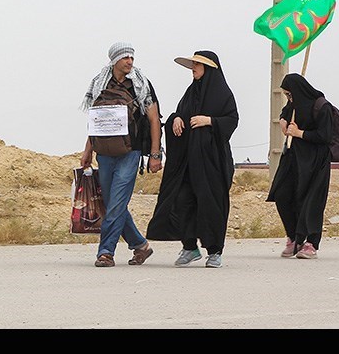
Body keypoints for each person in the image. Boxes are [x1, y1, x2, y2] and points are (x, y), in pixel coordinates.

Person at [145, 51, 239, 269]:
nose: (193, 69)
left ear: (209, 68)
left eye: (197, 65)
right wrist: (175, 118)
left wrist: (210, 121)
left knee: (211, 204)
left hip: (211, 163)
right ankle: (189, 247)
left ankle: (215, 251)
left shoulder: (223, 94)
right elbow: (181, 112)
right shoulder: (190, 92)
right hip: (187, 162)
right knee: (181, 201)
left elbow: (232, 120)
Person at [80, 41, 163, 267]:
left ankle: (106, 251)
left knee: (116, 202)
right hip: (104, 152)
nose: (130, 62)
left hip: (131, 151)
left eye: (132, 58)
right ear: (114, 60)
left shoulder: (140, 84)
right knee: (112, 203)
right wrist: (87, 150)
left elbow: (154, 119)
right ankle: (140, 246)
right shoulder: (100, 84)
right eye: (125, 57)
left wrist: (155, 154)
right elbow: (96, 121)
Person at [266, 73, 332, 260]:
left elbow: (325, 136)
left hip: (315, 162)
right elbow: (285, 116)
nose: (288, 98)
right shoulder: (293, 105)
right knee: (282, 194)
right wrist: (283, 122)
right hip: (294, 159)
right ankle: (294, 237)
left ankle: (311, 243)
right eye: (287, 95)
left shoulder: (321, 106)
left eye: (290, 94)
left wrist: (299, 133)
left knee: (311, 201)